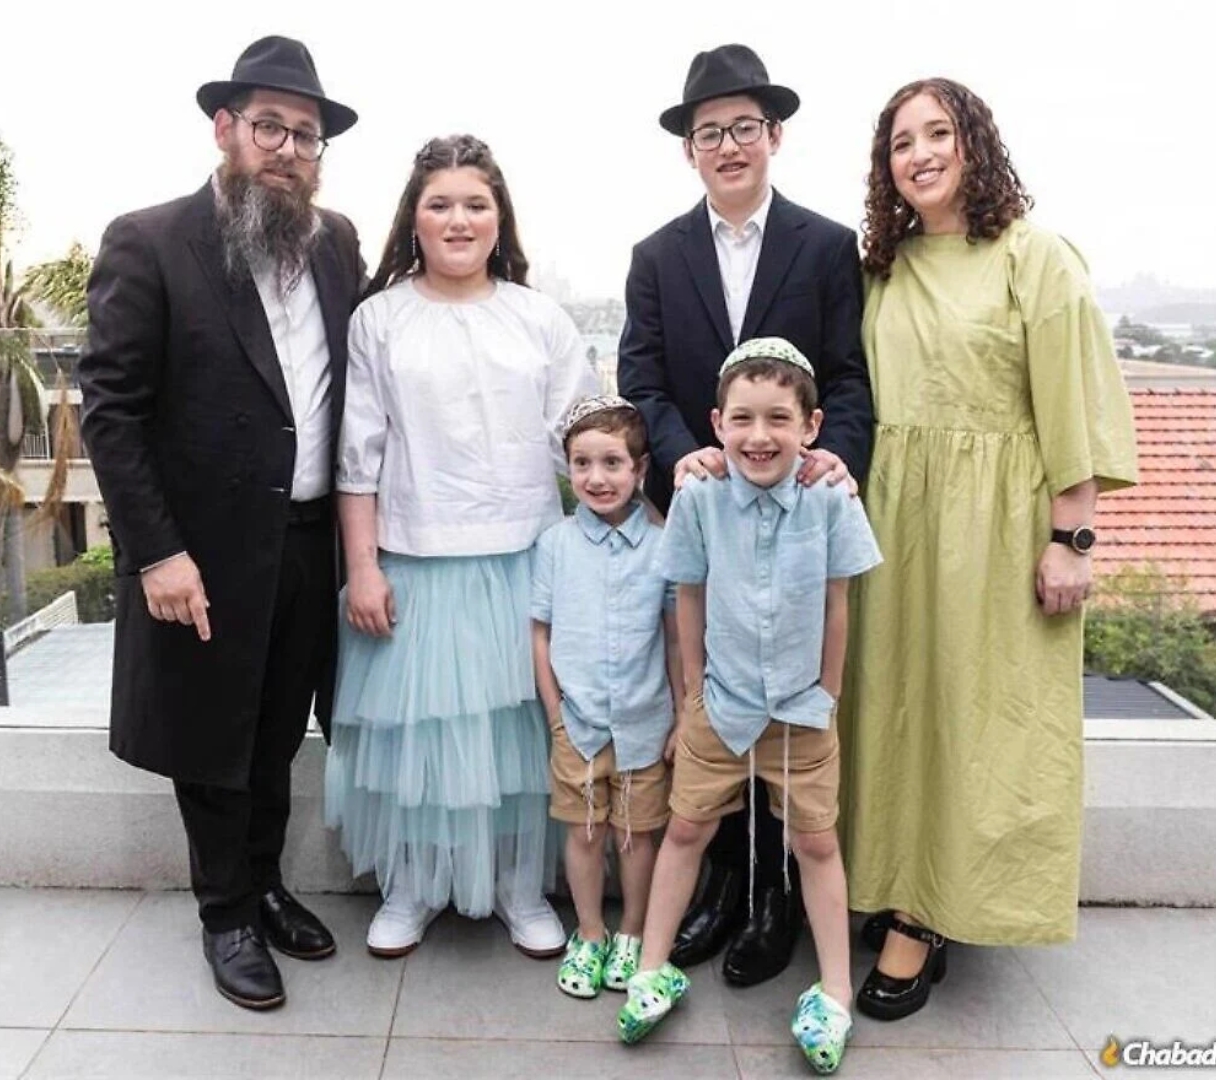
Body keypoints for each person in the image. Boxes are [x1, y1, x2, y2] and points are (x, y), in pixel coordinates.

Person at [839, 78, 1138, 1023]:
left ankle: (926, 916)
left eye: (938, 133)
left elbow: (1073, 403)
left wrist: (1071, 540)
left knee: (976, 720)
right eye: (901, 142)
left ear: (975, 143)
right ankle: (896, 879)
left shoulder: (1033, 257)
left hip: (996, 530)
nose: (920, 154)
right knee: (894, 709)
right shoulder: (883, 267)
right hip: (894, 523)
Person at [79, 36, 364, 1010]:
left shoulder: (335, 244)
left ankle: (267, 882)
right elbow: (110, 413)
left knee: (279, 729)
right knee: (214, 739)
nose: (288, 148)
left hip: (309, 543)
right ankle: (226, 914)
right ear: (225, 129)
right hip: (200, 554)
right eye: (270, 127)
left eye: (306, 135)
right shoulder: (150, 240)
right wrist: (157, 551)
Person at [618, 42, 875, 988]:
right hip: (708, 514)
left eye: (743, 128)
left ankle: (775, 908)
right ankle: (719, 890)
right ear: (688, 149)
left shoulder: (826, 245)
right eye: (708, 132)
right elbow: (641, 377)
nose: (727, 145)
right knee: (715, 711)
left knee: (787, 714)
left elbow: (846, 376)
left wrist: (837, 458)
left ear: (775, 136)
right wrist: (680, 449)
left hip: (796, 518)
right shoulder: (656, 256)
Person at [325, 134, 598, 959]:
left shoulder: (539, 318)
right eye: (439, 203)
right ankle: (411, 886)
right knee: (422, 744)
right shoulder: (379, 320)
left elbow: (582, 443)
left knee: (520, 740)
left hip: (524, 561)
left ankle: (521, 887)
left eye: (476, 204)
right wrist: (363, 568)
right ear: (413, 217)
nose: (458, 220)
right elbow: (358, 457)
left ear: (499, 217)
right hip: (413, 564)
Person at [618, 338, 881, 1075]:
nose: (759, 436)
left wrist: (827, 693)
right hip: (721, 705)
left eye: (778, 418)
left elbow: (837, 602)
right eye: (742, 419)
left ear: (812, 425)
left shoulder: (830, 499)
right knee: (687, 828)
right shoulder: (699, 497)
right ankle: (652, 969)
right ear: (717, 423)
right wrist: (693, 695)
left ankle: (834, 990)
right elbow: (688, 597)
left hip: (802, 710)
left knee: (817, 842)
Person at [531, 396, 682, 999]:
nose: (597, 477)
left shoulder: (663, 544)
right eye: (583, 463)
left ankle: (633, 932)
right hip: (580, 722)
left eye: (612, 463)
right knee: (586, 832)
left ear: (639, 468)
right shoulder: (555, 545)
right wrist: (556, 715)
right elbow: (540, 633)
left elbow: (675, 638)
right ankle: (590, 933)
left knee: (637, 835)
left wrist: (682, 715)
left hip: (646, 722)